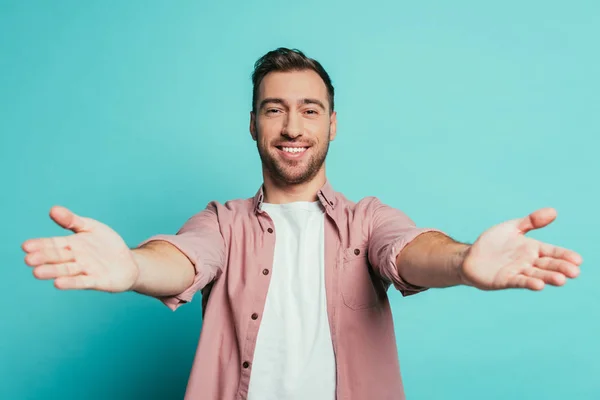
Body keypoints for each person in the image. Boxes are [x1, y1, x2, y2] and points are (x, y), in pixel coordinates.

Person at [22, 48, 583, 400]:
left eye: (310, 109)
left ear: (333, 124)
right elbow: (187, 256)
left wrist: (462, 263)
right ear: (253, 124)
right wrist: (133, 268)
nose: (293, 126)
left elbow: (408, 249)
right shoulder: (221, 222)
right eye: (274, 108)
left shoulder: (369, 220)